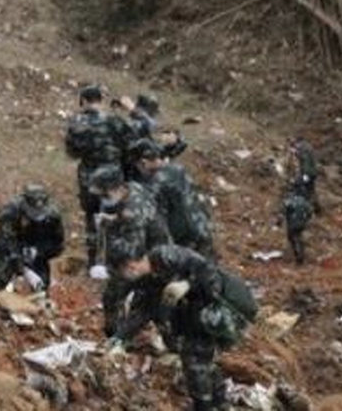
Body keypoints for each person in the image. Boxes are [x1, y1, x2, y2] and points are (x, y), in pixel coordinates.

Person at [111, 244, 256, 410]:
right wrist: (119, 337)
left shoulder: (166, 256)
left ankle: (204, 406)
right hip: (195, 317)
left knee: (194, 357)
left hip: (220, 308)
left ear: (133, 263)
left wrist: (187, 284)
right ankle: (219, 402)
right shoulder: (146, 281)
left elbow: (208, 271)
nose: (128, 273)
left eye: (127, 268)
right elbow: (143, 312)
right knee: (199, 358)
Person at [90, 161, 170, 337]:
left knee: (120, 298)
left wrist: (108, 233)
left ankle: (117, 339)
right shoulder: (132, 188)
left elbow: (132, 251)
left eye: (103, 194)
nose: (101, 198)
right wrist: (113, 220)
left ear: (114, 189)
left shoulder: (132, 212)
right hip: (154, 251)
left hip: (149, 260)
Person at [129, 135, 214, 256]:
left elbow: (159, 223)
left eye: (137, 166)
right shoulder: (178, 169)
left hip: (185, 240)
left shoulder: (154, 184)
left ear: (143, 162)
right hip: (203, 227)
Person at [64, 84, 128, 229]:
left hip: (89, 177)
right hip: (113, 175)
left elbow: (72, 153)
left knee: (91, 216)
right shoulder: (115, 120)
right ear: (100, 100)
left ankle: (93, 247)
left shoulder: (76, 122)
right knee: (115, 215)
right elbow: (129, 145)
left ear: (84, 101)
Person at [0, 185, 66, 290]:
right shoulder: (11, 211)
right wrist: (20, 264)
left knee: (41, 285)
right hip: (12, 245)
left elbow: (57, 245)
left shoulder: (53, 217)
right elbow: (5, 238)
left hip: (36, 247)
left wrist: (38, 251)